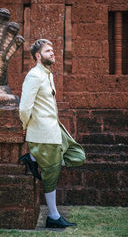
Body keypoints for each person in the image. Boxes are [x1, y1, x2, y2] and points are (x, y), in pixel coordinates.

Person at [19, 39, 85, 228]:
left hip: (55, 130)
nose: (53, 53)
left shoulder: (47, 75)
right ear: (38, 56)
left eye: (53, 50)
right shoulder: (34, 75)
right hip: (42, 134)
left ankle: (34, 157)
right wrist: (25, 125)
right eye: (48, 51)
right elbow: (24, 107)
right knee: (51, 175)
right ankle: (53, 217)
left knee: (78, 156)